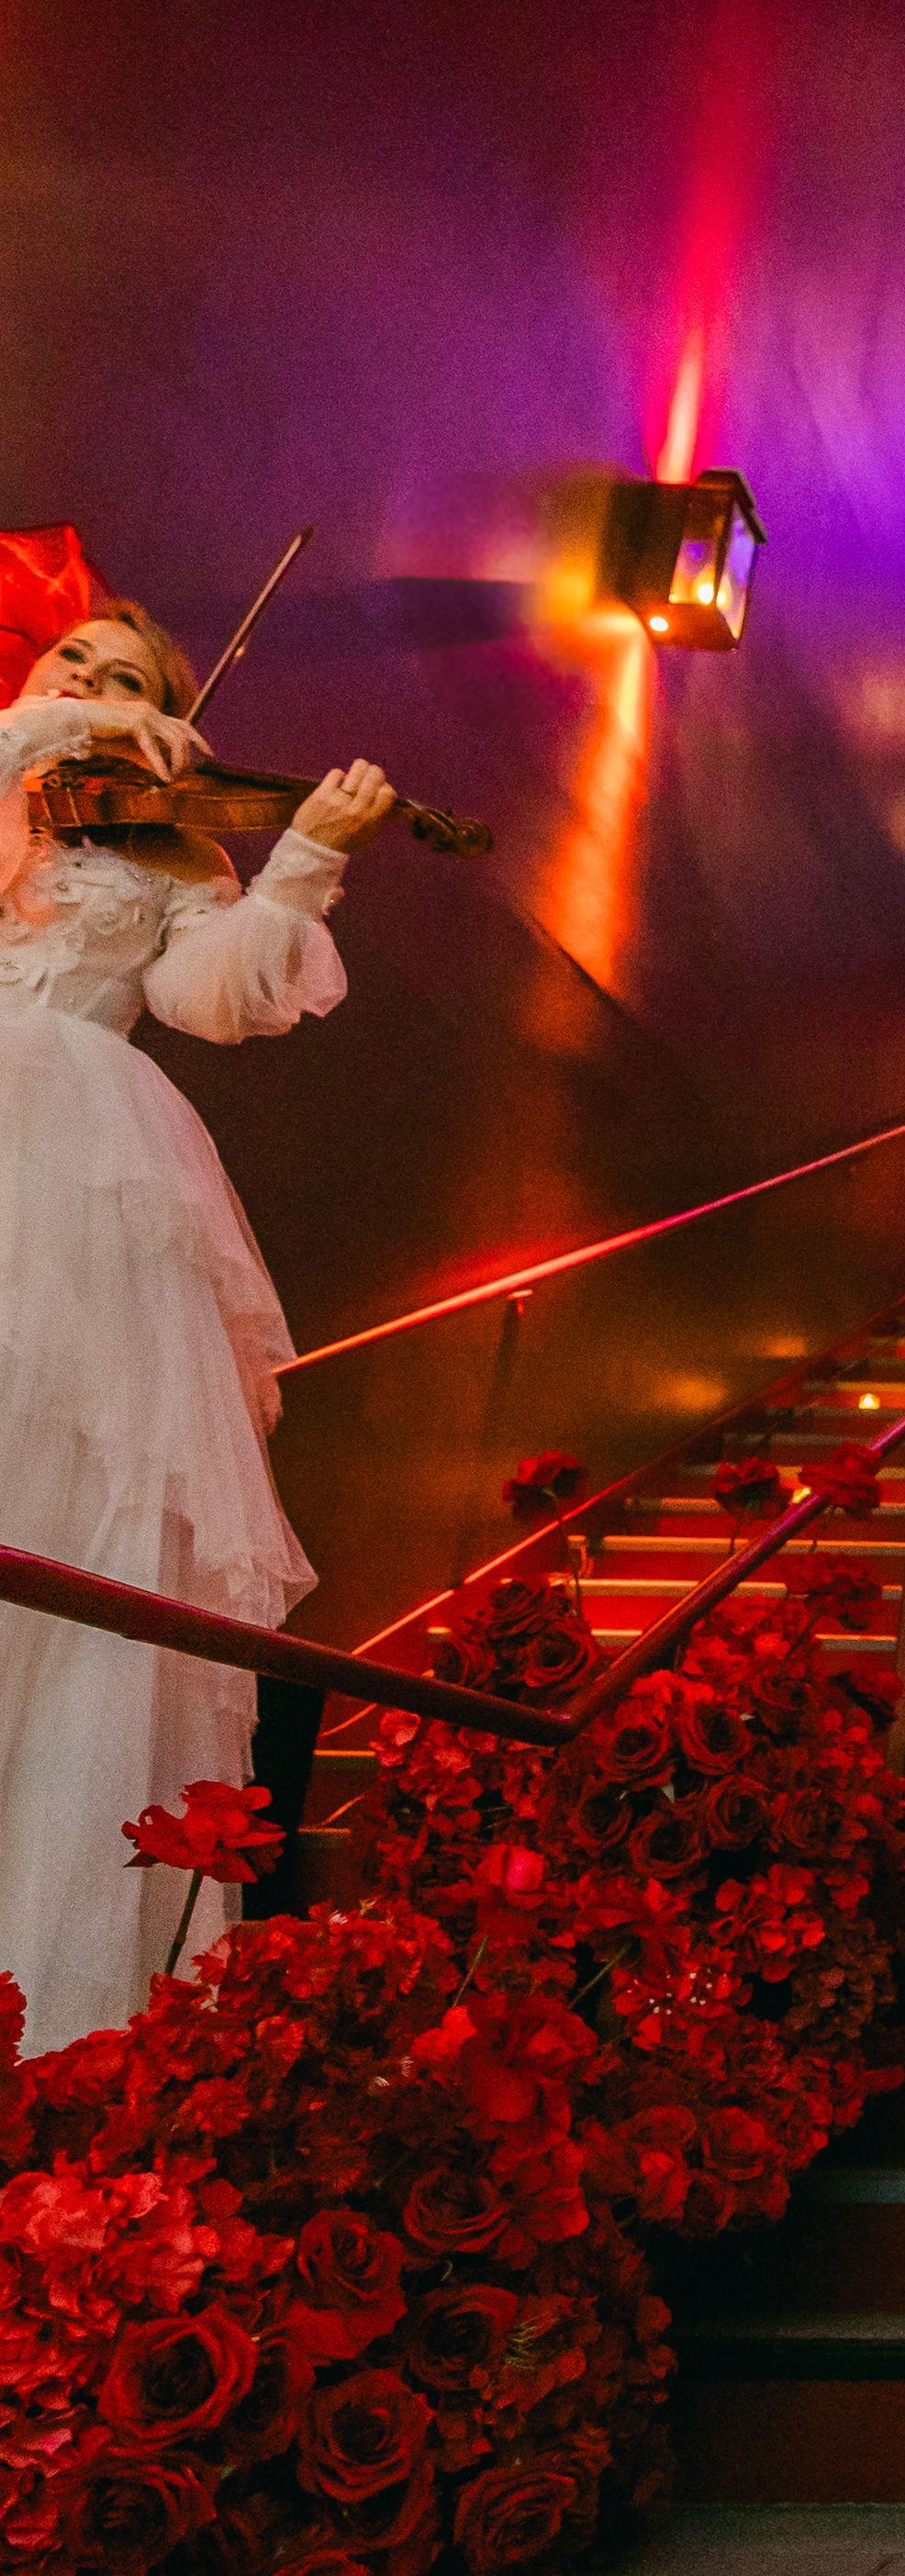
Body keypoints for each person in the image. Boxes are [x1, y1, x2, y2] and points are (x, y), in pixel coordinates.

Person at [0, 608, 396, 2048]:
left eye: (126, 679)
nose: (90, 686)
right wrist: (32, 760)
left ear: (174, 714)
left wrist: (305, 858)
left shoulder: (169, 845)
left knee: (76, 1500)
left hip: (82, 1170)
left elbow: (212, 998)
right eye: (74, 663)